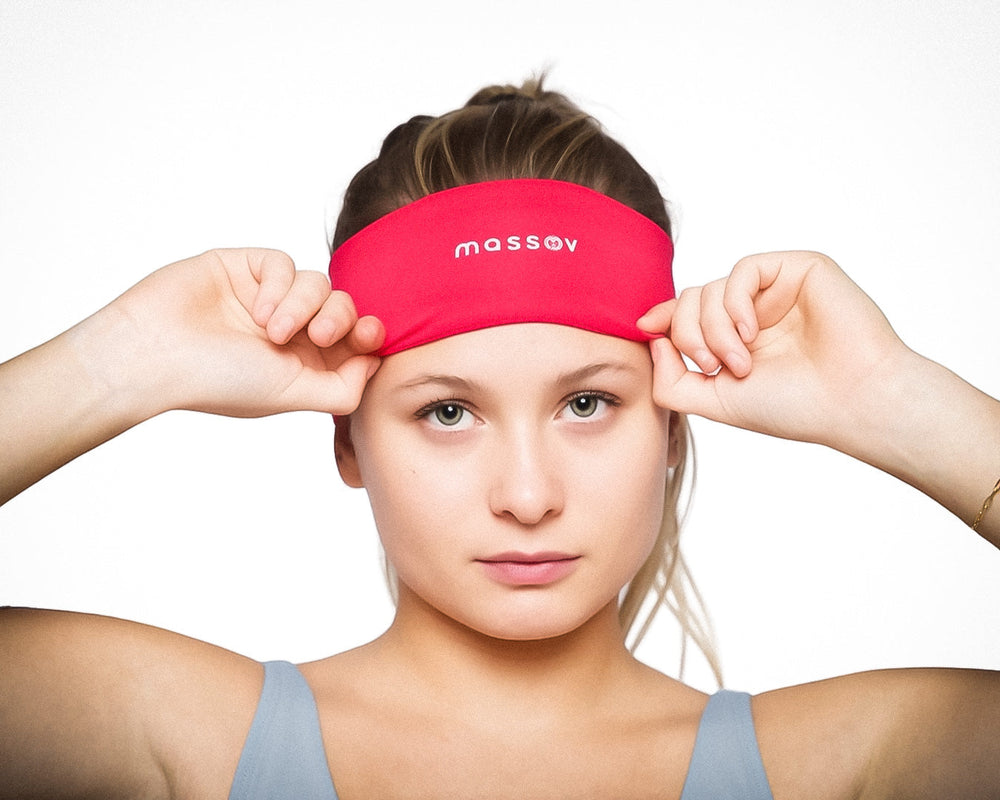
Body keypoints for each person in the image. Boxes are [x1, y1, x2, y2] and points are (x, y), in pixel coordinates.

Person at [1, 78, 998, 800]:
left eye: (587, 404)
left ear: (672, 427)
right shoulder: (186, 733)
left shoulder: (848, 761)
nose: (527, 495)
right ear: (346, 442)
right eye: (447, 411)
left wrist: (894, 399)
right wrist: (116, 363)